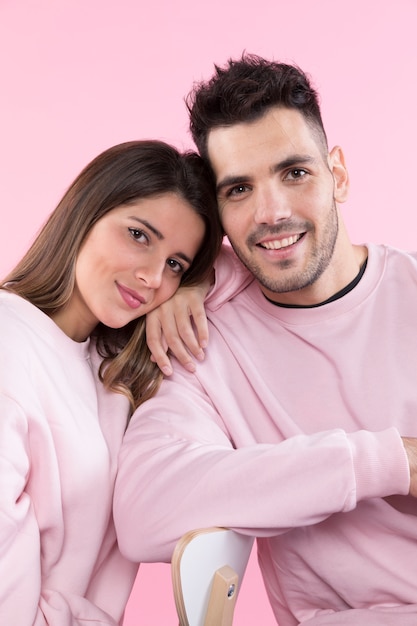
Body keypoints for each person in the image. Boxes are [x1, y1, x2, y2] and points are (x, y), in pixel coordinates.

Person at [113, 56, 417, 625]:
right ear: (218, 212)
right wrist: (390, 461)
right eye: (239, 189)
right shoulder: (200, 340)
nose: (271, 213)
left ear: (339, 175)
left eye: (295, 173)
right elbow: (144, 513)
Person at [0, 139, 222, 625]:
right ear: (86, 211)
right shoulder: (9, 346)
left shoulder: (115, 365)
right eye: (139, 235)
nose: (151, 278)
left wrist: (199, 286)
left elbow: (260, 263)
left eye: (175, 264)